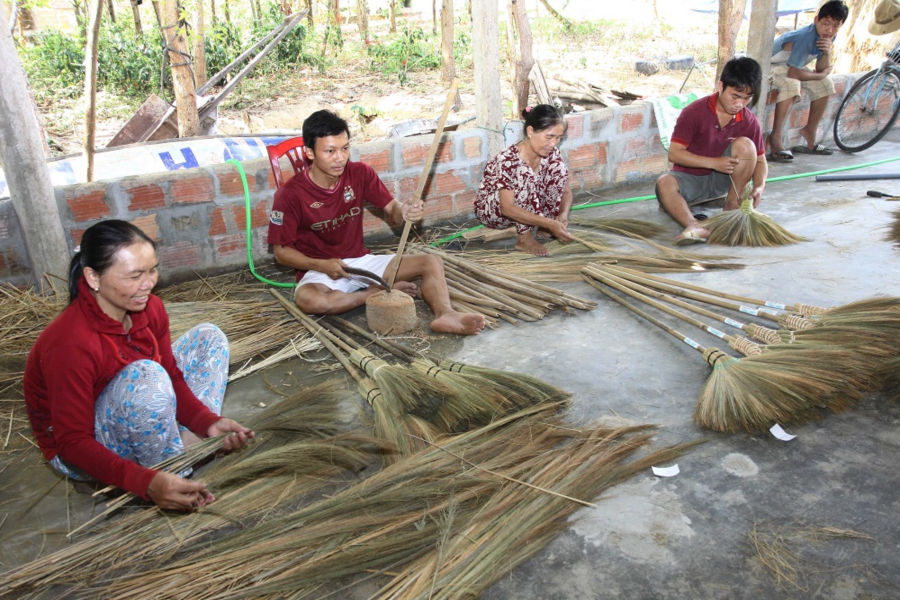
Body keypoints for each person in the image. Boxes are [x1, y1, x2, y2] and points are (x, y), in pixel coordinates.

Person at [23, 220, 253, 511]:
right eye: (134, 276)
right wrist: (145, 483)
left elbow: (172, 374)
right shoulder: (71, 343)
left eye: (152, 270)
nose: (148, 284)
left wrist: (207, 421)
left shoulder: (150, 308)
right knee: (147, 376)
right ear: (93, 277)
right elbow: (71, 442)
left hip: (140, 401)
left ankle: (184, 442)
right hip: (82, 445)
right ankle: (171, 477)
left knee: (208, 338)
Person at [267, 109, 485, 336]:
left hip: (361, 263)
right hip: (320, 270)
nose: (340, 158)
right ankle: (373, 293)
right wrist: (321, 265)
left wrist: (406, 211)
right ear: (310, 153)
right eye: (330, 151)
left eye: (345, 148)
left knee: (430, 262)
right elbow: (281, 254)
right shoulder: (289, 194)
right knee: (310, 301)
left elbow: (392, 209)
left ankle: (444, 314)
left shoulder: (359, 173)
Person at [655, 56, 768, 245]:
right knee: (664, 182)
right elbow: (674, 154)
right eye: (735, 96)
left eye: (746, 98)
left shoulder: (748, 120)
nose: (739, 104)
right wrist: (713, 163)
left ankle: (731, 205)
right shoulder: (694, 113)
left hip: (725, 181)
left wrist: (759, 186)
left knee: (747, 145)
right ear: (720, 86)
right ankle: (693, 225)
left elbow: (761, 160)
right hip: (691, 181)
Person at [474, 104, 574, 257]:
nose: (553, 144)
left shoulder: (552, 154)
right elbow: (506, 208)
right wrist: (549, 222)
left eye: (558, 138)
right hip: (496, 213)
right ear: (530, 131)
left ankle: (544, 229)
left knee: (558, 169)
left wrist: (563, 214)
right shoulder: (509, 160)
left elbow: (565, 190)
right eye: (549, 137)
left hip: (527, 208)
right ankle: (524, 238)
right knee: (524, 175)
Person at [767, 0, 849, 162]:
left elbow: (820, 68)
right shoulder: (806, 36)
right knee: (792, 84)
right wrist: (820, 75)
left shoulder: (829, 36)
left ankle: (809, 131)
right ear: (816, 20)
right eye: (826, 23)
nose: (830, 30)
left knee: (825, 85)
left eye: (835, 25)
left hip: (790, 66)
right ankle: (775, 139)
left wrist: (826, 54)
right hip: (770, 64)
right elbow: (794, 73)